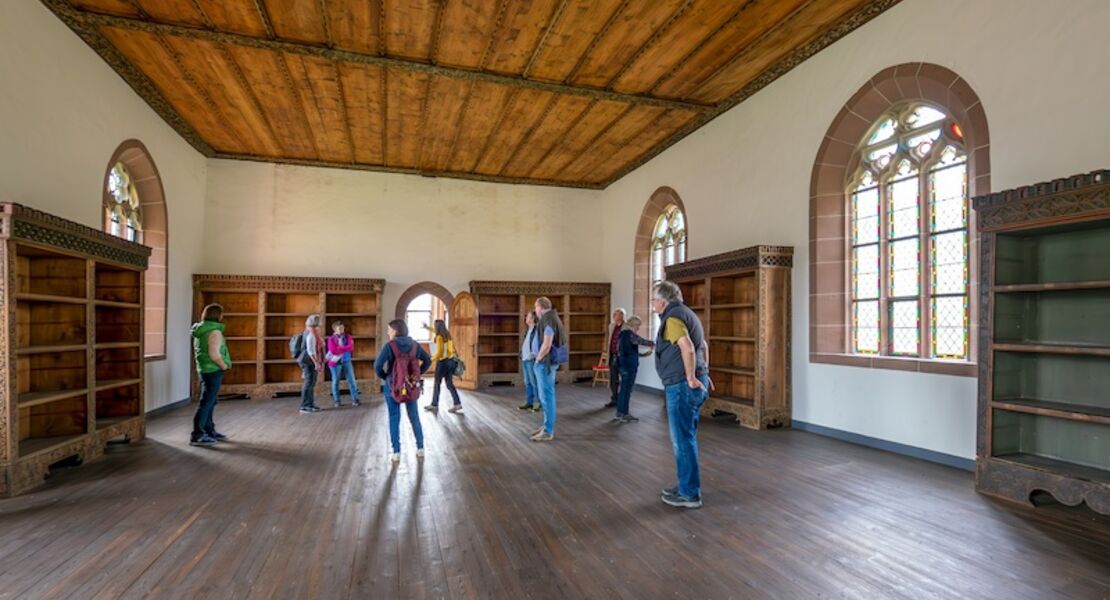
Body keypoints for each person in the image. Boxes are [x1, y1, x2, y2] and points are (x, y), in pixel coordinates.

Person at [652, 280, 710, 509]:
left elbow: (686, 347)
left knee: (682, 440)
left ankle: (689, 494)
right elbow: (703, 345)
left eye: (654, 300)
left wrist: (691, 377)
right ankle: (686, 485)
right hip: (692, 382)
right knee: (687, 437)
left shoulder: (673, 317)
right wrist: (704, 371)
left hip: (681, 386)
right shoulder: (688, 313)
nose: (653, 304)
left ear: (662, 301)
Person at [375, 319, 432, 463]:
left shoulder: (390, 346)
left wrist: (387, 377)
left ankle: (396, 452)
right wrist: (416, 375)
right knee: (414, 416)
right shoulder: (414, 345)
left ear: (395, 331)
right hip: (411, 386)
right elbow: (428, 361)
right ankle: (420, 448)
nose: (388, 332)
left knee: (394, 417)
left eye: (389, 330)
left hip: (393, 386)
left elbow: (377, 366)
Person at [190, 303, 231, 446]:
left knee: (210, 401)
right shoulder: (214, 331)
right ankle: (198, 434)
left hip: (204, 369)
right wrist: (223, 365)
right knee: (207, 402)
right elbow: (214, 354)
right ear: (218, 315)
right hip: (213, 369)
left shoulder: (201, 329)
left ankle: (209, 430)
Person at [530, 297, 566, 442]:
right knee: (545, 396)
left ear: (540, 307)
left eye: (535, 307)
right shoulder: (551, 317)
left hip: (545, 363)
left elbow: (547, 343)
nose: (535, 310)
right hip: (546, 362)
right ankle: (546, 426)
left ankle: (548, 430)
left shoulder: (548, 319)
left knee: (546, 397)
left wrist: (538, 358)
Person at [613, 315, 654, 423]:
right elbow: (643, 342)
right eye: (638, 326)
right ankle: (625, 413)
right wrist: (654, 343)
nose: (638, 328)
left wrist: (644, 355)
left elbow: (626, 351)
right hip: (630, 366)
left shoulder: (621, 335)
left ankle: (619, 412)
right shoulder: (630, 335)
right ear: (634, 325)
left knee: (623, 390)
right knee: (627, 390)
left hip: (622, 364)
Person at [423, 320, 462, 413]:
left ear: (437, 327)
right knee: (449, 384)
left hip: (442, 363)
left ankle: (434, 405)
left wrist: (431, 359)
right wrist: (427, 327)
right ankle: (457, 403)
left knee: (437, 384)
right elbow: (435, 331)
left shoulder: (439, 337)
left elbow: (439, 353)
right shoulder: (447, 334)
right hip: (450, 362)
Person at [326, 320, 360, 407]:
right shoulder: (331, 339)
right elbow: (333, 351)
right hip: (335, 362)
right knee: (335, 381)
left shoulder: (348, 336)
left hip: (346, 361)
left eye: (342, 328)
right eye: (339, 328)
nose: (342, 330)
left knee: (351, 380)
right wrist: (345, 348)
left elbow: (351, 347)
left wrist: (340, 348)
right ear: (335, 330)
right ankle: (337, 400)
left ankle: (355, 399)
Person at [298, 314, 325, 414]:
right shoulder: (311, 334)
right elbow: (311, 351)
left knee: (311, 383)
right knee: (308, 383)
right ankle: (305, 406)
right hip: (308, 362)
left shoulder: (311, 332)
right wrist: (316, 363)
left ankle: (310, 404)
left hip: (309, 361)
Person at [517, 310, 540, 411]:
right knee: (527, 382)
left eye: (528, 316)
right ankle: (529, 403)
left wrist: (534, 355)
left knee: (534, 382)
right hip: (525, 359)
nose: (526, 318)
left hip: (531, 359)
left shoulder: (537, 330)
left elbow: (537, 344)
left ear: (533, 319)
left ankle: (538, 403)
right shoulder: (528, 330)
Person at [604, 308, 626, 408]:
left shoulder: (626, 327)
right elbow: (610, 340)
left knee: (624, 378)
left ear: (622, 316)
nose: (614, 317)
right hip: (613, 355)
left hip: (622, 356)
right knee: (613, 378)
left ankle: (623, 399)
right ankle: (614, 398)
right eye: (614, 315)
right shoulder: (611, 326)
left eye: (616, 314)